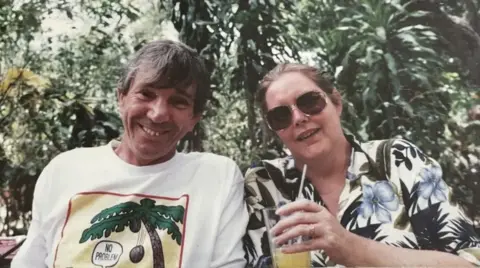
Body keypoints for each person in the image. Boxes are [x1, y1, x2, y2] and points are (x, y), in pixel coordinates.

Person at [12, 40, 248, 268]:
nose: (158, 114)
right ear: (121, 97)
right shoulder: (64, 170)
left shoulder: (216, 177)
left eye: (178, 102)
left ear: (194, 119)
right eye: (146, 94)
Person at [243, 63, 480, 267]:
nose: (298, 118)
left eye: (309, 101)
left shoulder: (395, 160)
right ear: (275, 130)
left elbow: (469, 264)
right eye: (281, 116)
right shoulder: (264, 184)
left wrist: (351, 247)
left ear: (336, 103)